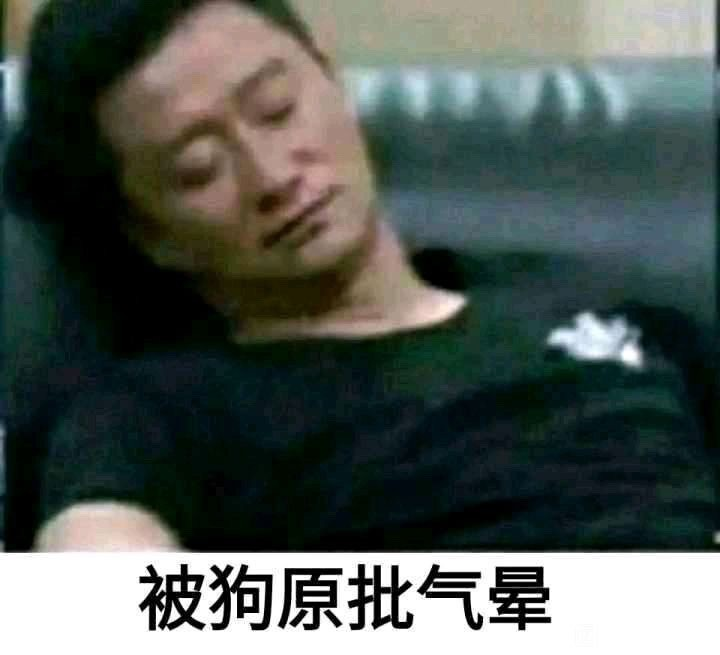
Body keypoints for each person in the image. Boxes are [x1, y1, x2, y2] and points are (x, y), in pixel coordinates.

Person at [3, 0, 716, 551]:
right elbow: (96, 600)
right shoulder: (152, 415)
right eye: (199, 170)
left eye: (277, 109)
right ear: (150, 233)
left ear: (333, 80)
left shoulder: (612, 311)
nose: (274, 176)